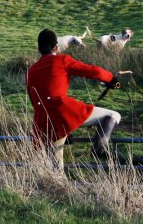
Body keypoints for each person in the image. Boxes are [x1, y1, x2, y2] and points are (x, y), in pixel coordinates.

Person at [26, 29, 122, 170]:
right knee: (113, 115)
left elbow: (34, 101)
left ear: (38, 49)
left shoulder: (31, 71)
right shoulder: (62, 60)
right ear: (57, 47)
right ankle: (100, 148)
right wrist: (111, 79)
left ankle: (58, 189)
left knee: (57, 170)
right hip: (64, 112)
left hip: (43, 121)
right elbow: (92, 71)